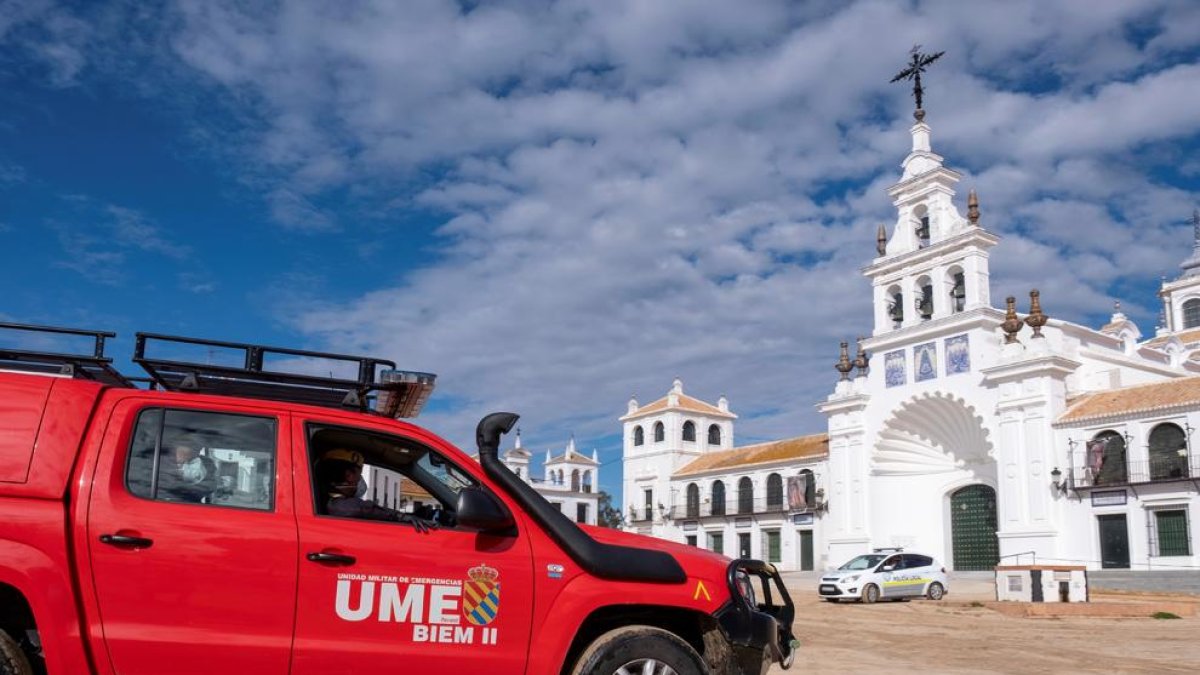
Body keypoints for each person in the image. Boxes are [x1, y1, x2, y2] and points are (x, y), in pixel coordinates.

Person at [317, 448, 438, 532]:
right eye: (360, 474)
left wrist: (407, 515)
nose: (360, 479)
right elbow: (366, 508)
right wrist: (404, 517)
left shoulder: (323, 499)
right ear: (349, 476)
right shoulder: (344, 506)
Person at [160, 438, 219, 503]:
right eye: (179, 451)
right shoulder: (164, 464)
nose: (180, 454)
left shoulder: (206, 463)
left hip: (192, 504)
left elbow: (210, 485)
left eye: (185, 452)